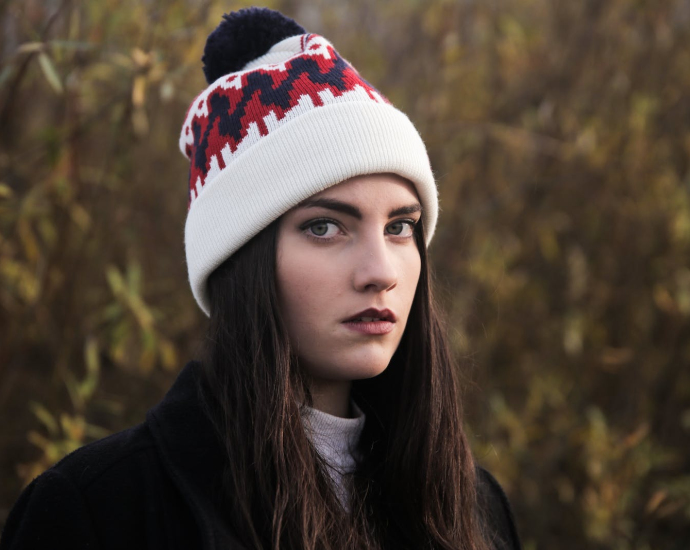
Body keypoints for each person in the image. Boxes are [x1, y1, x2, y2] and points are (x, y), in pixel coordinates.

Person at [0, 7, 521, 550]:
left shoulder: (473, 508)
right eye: (324, 227)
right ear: (239, 257)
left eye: (400, 226)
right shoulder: (99, 510)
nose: (380, 273)